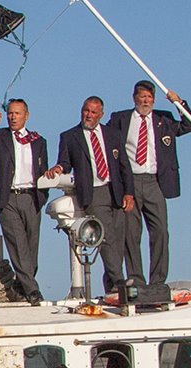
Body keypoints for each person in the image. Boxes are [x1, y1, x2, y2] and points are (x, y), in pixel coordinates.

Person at [109, 81, 191, 297]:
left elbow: (189, 125)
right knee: (131, 232)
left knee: (160, 231)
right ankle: (136, 278)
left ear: (154, 99)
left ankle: (158, 279)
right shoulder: (121, 118)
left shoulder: (163, 119)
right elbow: (107, 142)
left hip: (156, 181)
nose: (145, 101)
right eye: (141, 96)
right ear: (134, 97)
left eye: (149, 97)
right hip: (130, 182)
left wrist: (179, 103)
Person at [44, 97, 133, 296]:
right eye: (86, 111)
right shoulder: (70, 136)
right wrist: (58, 168)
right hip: (94, 192)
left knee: (119, 239)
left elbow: (124, 166)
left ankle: (111, 285)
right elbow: (65, 162)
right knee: (106, 236)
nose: (88, 115)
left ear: (101, 114)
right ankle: (119, 281)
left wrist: (129, 192)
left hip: (116, 190)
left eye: (93, 112)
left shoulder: (113, 135)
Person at [0, 99, 50, 302]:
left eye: (17, 113)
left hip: (31, 197)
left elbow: (43, 169)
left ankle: (20, 286)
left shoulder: (38, 141)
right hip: (7, 198)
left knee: (31, 248)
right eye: (10, 113)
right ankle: (33, 291)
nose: (12, 117)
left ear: (26, 115)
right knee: (17, 244)